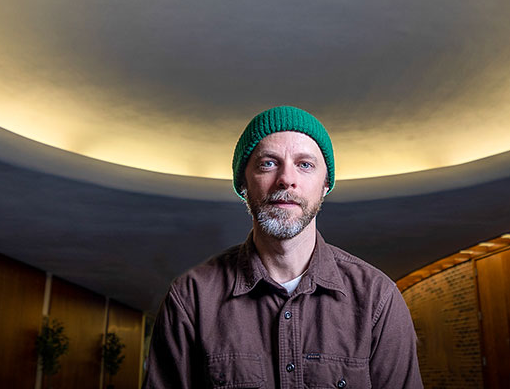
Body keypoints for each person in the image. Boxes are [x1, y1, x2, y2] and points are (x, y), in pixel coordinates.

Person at [144, 105, 423, 388]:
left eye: (305, 164)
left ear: (325, 184)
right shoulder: (191, 298)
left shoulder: (378, 298)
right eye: (268, 163)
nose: (286, 179)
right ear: (243, 183)